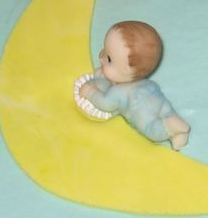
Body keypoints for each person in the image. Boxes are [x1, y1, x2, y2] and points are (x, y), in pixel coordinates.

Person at [79, 21, 190, 150]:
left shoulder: (118, 91)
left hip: (139, 106)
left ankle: (169, 127)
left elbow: (105, 104)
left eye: (108, 59)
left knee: (152, 129)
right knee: (167, 111)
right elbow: (110, 78)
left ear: (126, 72)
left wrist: (90, 93)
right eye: (105, 50)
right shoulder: (146, 82)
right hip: (152, 93)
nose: (101, 57)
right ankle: (179, 134)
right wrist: (103, 73)